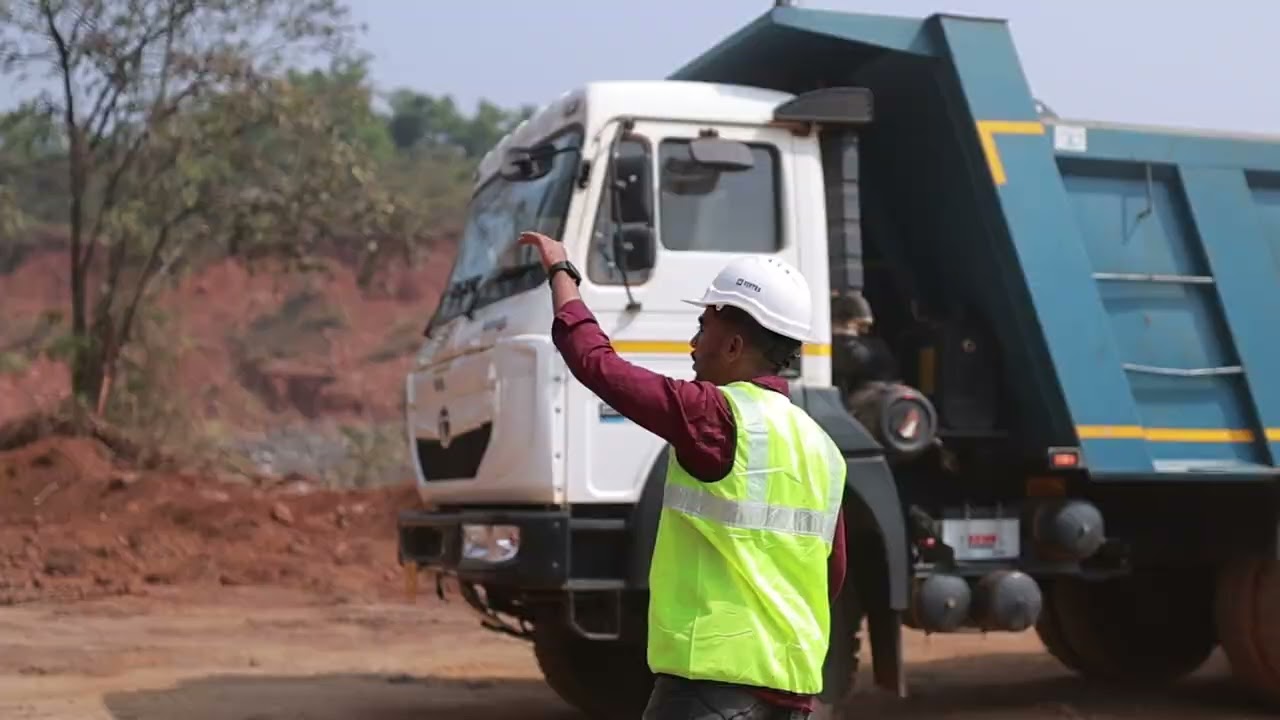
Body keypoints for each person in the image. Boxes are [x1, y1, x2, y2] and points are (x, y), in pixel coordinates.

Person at [517, 231, 848, 720]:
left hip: (711, 685)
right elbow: (831, 576)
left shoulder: (714, 415)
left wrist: (561, 271)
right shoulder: (823, 448)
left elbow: (596, 364)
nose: (692, 343)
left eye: (702, 326)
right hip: (791, 690)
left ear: (734, 345)